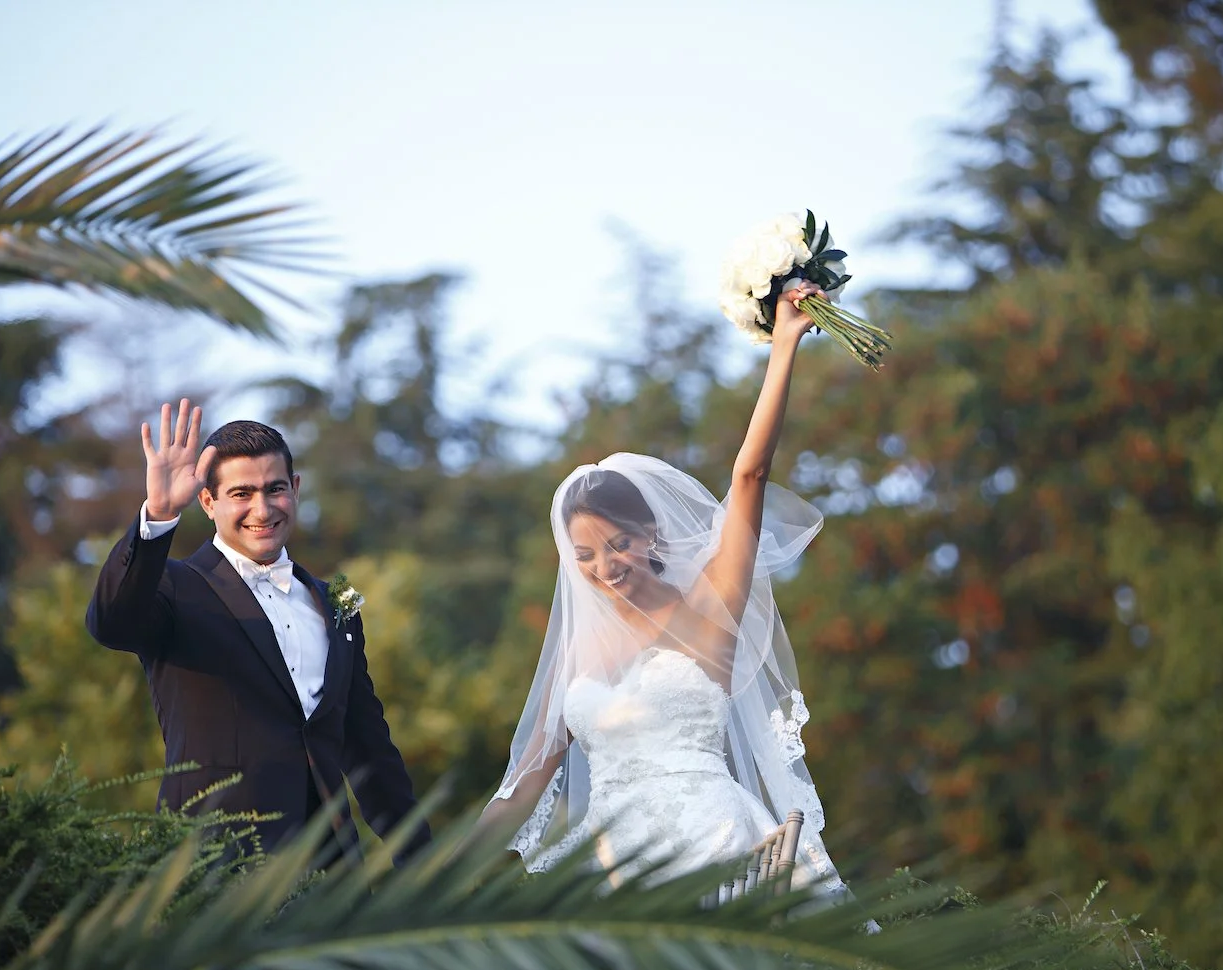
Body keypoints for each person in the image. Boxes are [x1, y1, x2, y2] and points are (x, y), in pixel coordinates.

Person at [478, 280, 845, 892]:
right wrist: (431, 880)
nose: (606, 566)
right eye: (586, 555)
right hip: (610, 876)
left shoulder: (709, 610)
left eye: (618, 544)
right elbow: (520, 789)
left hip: (721, 848)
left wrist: (783, 347)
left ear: (650, 532)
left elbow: (750, 475)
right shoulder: (577, 653)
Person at [87, 402, 429, 859]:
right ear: (208, 502)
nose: (262, 509)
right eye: (241, 493)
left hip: (329, 873)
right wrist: (160, 514)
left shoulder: (337, 605)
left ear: (297, 489)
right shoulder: (173, 588)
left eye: (275, 489)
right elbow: (112, 623)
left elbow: (368, 748)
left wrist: (424, 864)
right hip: (217, 867)